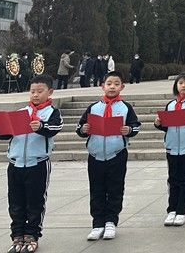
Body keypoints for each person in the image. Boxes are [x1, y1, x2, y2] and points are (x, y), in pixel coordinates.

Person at [0, 74, 63, 253]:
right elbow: (8, 133)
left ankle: (32, 235)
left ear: (50, 92)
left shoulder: (52, 113)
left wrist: (41, 127)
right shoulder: (21, 112)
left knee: (35, 202)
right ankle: (17, 236)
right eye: (32, 91)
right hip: (16, 164)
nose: (35, 95)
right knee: (15, 201)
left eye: (40, 91)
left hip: (37, 164)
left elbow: (55, 128)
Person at [76, 71, 141, 241]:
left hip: (116, 155)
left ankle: (111, 221)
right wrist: (84, 129)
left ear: (122, 87)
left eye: (116, 84)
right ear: (102, 86)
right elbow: (80, 127)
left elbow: (135, 126)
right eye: (109, 83)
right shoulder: (93, 107)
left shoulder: (125, 108)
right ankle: (97, 223)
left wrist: (129, 130)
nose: (112, 87)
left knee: (115, 189)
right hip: (95, 156)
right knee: (96, 190)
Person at [154, 73, 185, 226]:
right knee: (172, 179)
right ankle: (172, 210)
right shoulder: (170, 105)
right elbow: (166, 126)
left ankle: (182, 211)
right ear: (176, 86)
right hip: (171, 147)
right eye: (180, 83)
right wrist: (158, 123)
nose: (183, 85)